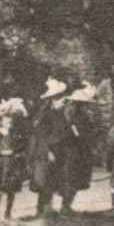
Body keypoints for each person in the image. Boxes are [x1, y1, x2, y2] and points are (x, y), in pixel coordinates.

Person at [28, 78, 72, 217]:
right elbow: (41, 136)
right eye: (60, 98)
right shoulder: (45, 116)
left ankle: (49, 209)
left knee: (53, 180)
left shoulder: (61, 115)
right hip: (45, 153)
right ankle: (41, 210)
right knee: (44, 181)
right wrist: (48, 152)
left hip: (58, 152)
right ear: (52, 100)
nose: (64, 100)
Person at [61, 83, 103, 213]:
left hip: (81, 150)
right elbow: (70, 134)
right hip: (72, 151)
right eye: (84, 104)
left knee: (77, 178)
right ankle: (65, 206)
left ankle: (67, 206)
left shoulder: (83, 117)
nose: (86, 106)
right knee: (71, 178)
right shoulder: (69, 118)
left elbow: (86, 132)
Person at [0, 97, 28, 220]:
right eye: (7, 121)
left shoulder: (14, 134)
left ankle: (8, 213)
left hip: (12, 165)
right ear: (1, 121)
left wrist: (19, 154)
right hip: (0, 165)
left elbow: (19, 147)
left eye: (11, 121)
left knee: (11, 191)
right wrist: (2, 152)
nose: (10, 123)